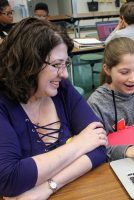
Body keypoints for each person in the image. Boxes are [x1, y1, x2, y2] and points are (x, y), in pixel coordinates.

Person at [0, 18, 107, 198]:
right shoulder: (3, 103)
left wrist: (47, 187)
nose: (64, 74)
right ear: (29, 64)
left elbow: (99, 146)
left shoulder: (62, 89)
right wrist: (79, 144)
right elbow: (10, 179)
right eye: (57, 65)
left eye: (66, 64)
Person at [104, 2, 134, 82]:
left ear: (122, 18)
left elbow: (107, 43)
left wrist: (118, 27)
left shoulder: (119, 34)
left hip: (128, 74)